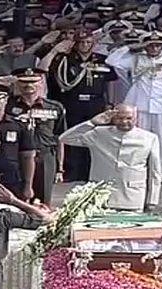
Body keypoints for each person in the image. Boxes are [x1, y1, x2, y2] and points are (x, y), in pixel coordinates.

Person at [106, 31, 162, 181]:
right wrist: (130, 47)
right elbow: (111, 61)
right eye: (151, 45)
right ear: (146, 46)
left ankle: (158, 173)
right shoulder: (135, 59)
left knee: (160, 141)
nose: (155, 48)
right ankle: (139, 170)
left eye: (158, 45)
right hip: (139, 106)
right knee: (138, 140)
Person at [39, 30, 116, 181]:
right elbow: (42, 69)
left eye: (88, 42)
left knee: (94, 137)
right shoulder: (64, 59)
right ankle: (70, 171)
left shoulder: (101, 60)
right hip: (72, 102)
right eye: (81, 42)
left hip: (95, 103)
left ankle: (91, 172)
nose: (85, 45)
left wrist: (110, 104)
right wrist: (55, 51)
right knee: (71, 136)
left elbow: (110, 83)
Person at [58, 104, 162, 211]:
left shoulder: (149, 138)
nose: (124, 122)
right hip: (101, 198)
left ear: (136, 118)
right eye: (120, 118)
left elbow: (154, 172)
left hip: (133, 198)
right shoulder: (99, 133)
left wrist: (152, 201)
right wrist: (92, 123)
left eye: (129, 118)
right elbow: (65, 138)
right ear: (113, 117)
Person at [6, 67, 66, 205]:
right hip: (17, 156)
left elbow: (60, 137)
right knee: (17, 198)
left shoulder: (54, 107)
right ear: (16, 83)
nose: (29, 85)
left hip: (45, 156)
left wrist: (60, 168)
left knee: (44, 200)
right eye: (24, 81)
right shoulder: (7, 105)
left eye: (33, 81)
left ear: (41, 83)